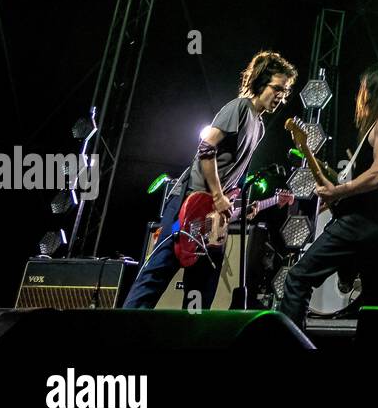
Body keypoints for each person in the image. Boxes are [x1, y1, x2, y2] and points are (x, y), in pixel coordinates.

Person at [123, 51, 297, 309]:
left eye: (285, 91)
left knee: (203, 287)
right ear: (261, 82)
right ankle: (122, 331)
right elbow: (206, 148)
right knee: (156, 275)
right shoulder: (239, 108)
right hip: (190, 201)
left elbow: (232, 172)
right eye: (278, 88)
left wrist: (236, 203)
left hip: (213, 216)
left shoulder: (258, 126)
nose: (281, 97)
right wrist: (217, 194)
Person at [279, 61, 378, 330]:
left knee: (298, 277)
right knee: (377, 296)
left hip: (363, 222)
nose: (362, 96)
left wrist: (338, 191)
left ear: (375, 89)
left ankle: (288, 346)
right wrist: (336, 195)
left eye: (365, 89)